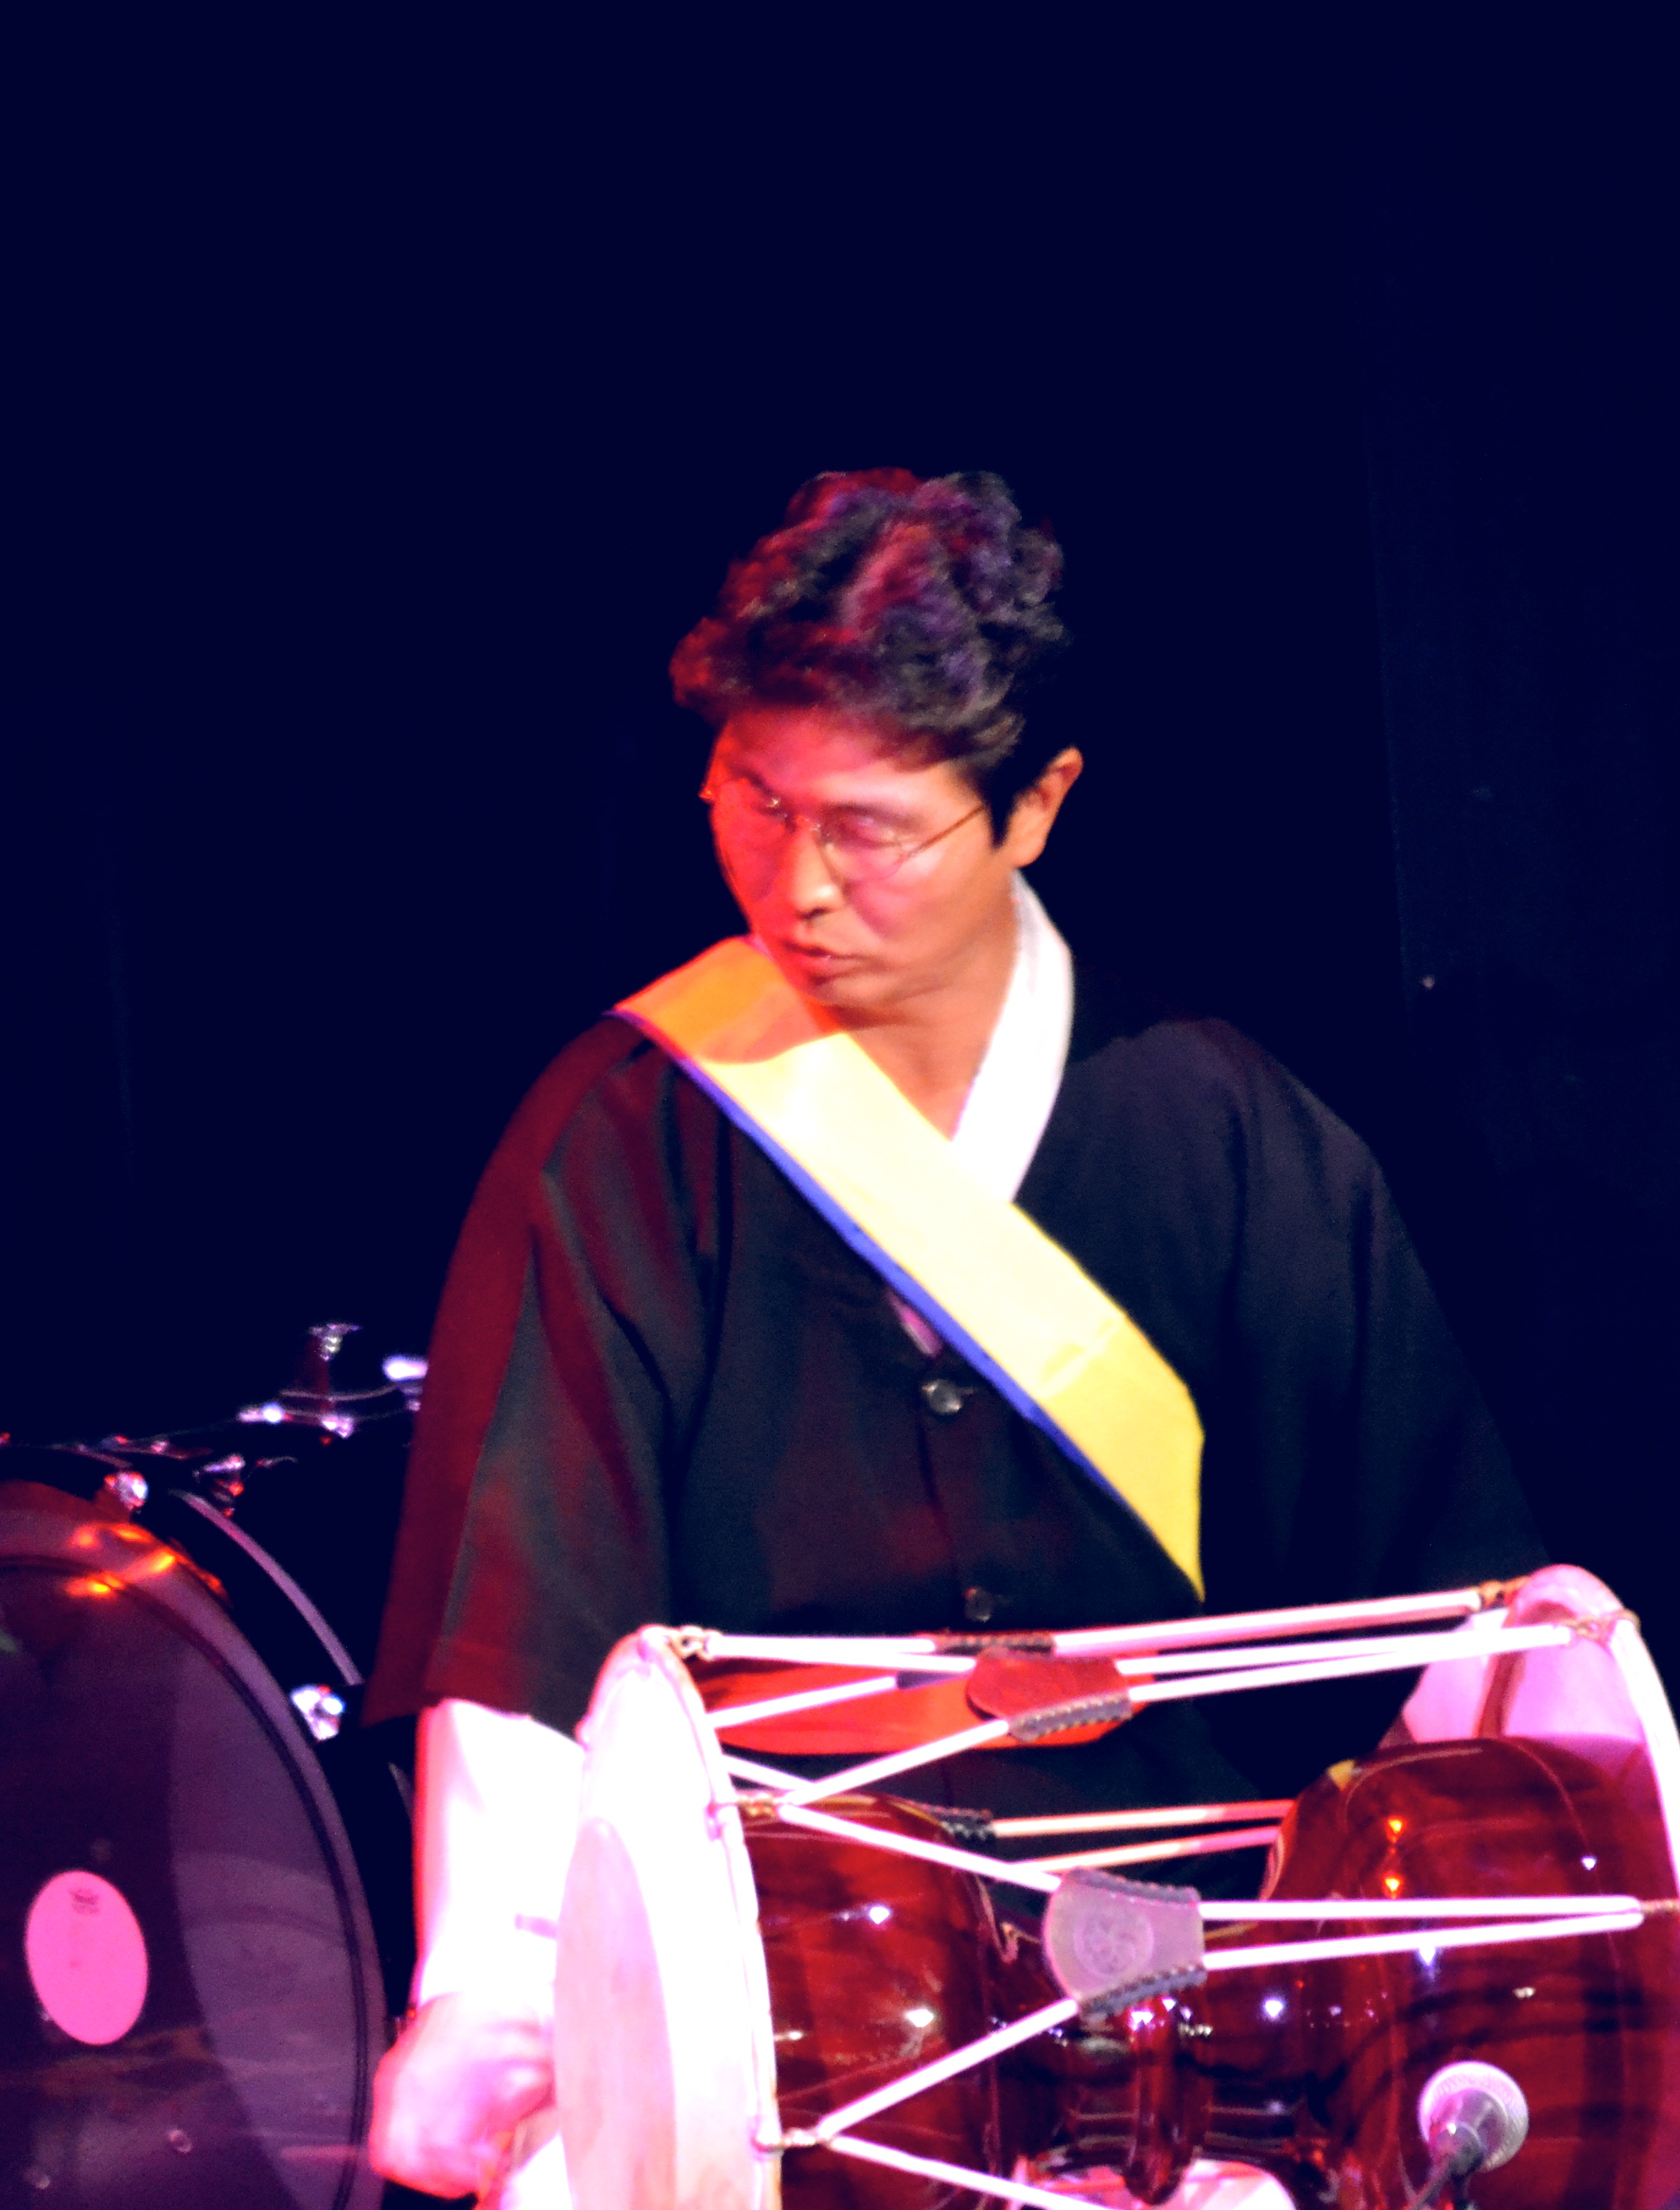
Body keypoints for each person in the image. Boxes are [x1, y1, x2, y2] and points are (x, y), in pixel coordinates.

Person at [360, 470, 1541, 2204]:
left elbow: (1443, 1617)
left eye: (870, 830)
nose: (798, 885)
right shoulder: (621, 1137)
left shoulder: (1224, 1134)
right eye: (755, 802)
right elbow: (523, 1614)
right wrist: (495, 1993)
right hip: (772, 1999)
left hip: (1194, 2013)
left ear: (1034, 807)